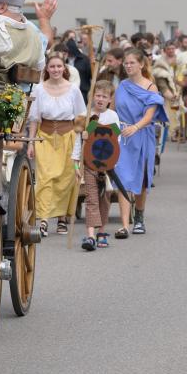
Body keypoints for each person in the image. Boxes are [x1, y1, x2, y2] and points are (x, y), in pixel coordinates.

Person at [26, 53, 87, 235]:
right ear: (47, 69)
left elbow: (82, 116)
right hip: (44, 137)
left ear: (64, 69)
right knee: (45, 178)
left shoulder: (73, 89)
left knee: (65, 179)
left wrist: (84, 134)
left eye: (59, 67)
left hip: (68, 136)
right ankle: (43, 220)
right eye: (52, 67)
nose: (56, 70)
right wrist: (30, 143)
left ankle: (62, 219)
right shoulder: (39, 89)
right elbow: (34, 119)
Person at [113, 49, 166, 236]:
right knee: (123, 179)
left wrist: (135, 127)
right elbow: (113, 111)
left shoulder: (150, 87)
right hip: (123, 137)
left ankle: (140, 217)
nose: (128, 66)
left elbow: (150, 115)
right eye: (126, 63)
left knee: (141, 180)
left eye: (132, 63)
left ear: (141, 64)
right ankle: (125, 225)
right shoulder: (121, 86)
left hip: (142, 135)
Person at [75, 80, 119, 251]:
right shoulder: (84, 116)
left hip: (107, 166)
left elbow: (117, 141)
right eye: (98, 95)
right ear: (93, 96)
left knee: (104, 199)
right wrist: (76, 166)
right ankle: (90, 235)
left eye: (104, 96)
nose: (100, 99)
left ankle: (102, 232)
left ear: (109, 99)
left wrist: (113, 162)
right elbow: (77, 144)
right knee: (91, 198)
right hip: (88, 164)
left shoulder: (112, 116)